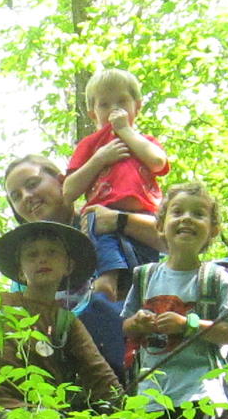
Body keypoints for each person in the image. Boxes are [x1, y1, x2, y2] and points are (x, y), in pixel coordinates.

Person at [0, 220, 122, 412]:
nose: (42, 260)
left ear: (68, 266)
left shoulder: (66, 322)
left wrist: (127, 411)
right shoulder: (1, 304)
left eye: (52, 252)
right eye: (32, 254)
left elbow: (98, 373)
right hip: (0, 412)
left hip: (48, 418)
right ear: (21, 272)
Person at [121, 181, 228, 419]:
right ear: (160, 225)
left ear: (213, 230)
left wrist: (187, 324)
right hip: (150, 394)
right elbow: (126, 325)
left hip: (200, 393)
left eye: (198, 214)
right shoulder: (145, 275)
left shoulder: (215, 278)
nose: (187, 219)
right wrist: (139, 322)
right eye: (177, 212)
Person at [2, 154, 127, 380]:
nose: (27, 197)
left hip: (116, 359)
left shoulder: (100, 226)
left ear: (62, 181)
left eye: (32, 184)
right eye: (16, 196)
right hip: (55, 373)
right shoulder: (23, 271)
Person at [61, 68, 170, 301]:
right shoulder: (90, 146)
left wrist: (125, 131)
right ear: (93, 113)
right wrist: (100, 158)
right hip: (103, 214)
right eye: (104, 105)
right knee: (101, 244)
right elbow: (69, 191)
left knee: (144, 271)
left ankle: (143, 299)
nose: (113, 110)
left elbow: (158, 162)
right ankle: (106, 282)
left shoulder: (143, 141)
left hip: (144, 217)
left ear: (137, 107)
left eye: (122, 102)